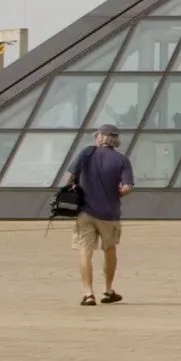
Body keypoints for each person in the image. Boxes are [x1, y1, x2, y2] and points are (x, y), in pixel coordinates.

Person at [60, 122, 135, 307]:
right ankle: (109, 290)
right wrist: (116, 192)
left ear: (101, 137)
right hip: (110, 213)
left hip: (85, 211)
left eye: (97, 136)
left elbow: (67, 179)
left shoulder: (86, 154)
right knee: (109, 249)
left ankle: (88, 293)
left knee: (85, 251)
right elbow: (127, 187)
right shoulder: (122, 160)